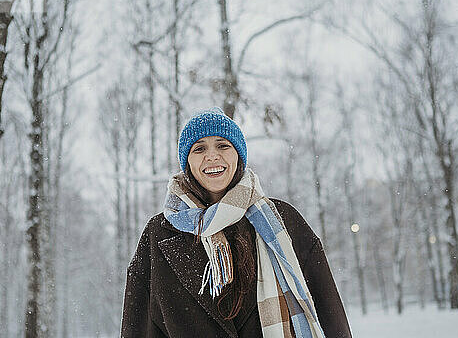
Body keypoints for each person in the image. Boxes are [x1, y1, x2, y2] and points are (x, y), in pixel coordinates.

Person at [121, 107, 351, 338]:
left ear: (238, 155)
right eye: (199, 148)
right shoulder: (159, 233)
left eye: (223, 145)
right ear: (187, 162)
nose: (212, 156)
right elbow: (138, 325)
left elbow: (330, 315)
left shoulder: (283, 221)